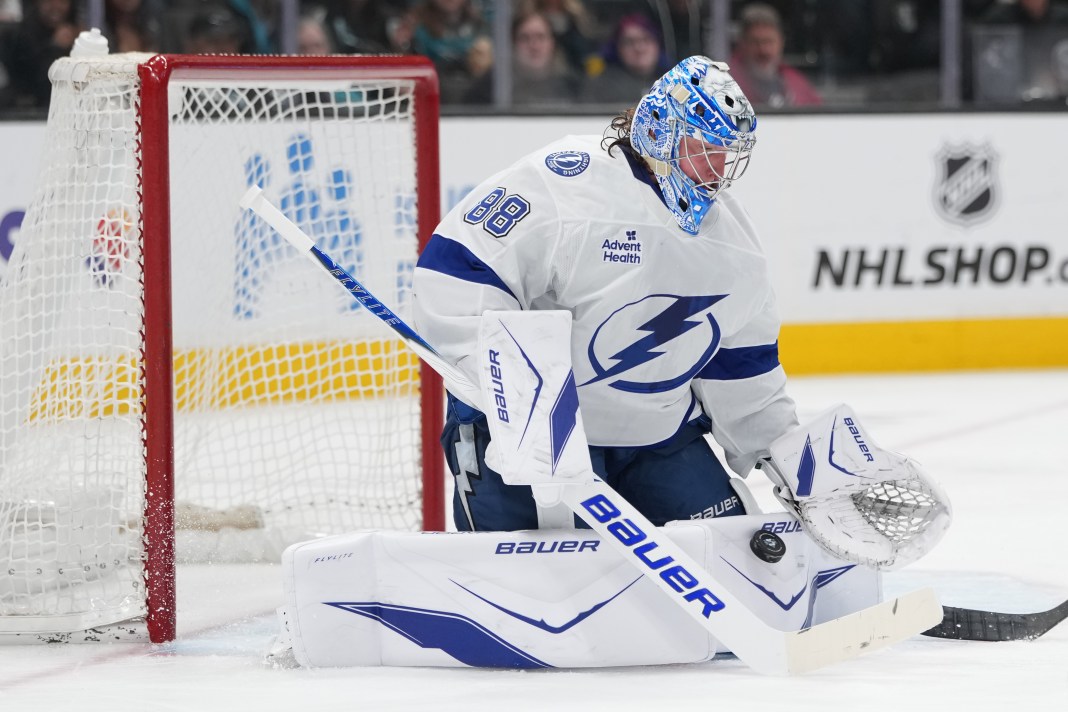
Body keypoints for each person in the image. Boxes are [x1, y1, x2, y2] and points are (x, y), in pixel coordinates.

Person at [412, 56, 798, 532]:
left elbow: (742, 367)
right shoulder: (565, 185)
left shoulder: (733, 246)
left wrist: (792, 461)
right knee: (525, 583)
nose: (718, 168)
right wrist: (517, 399)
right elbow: (457, 271)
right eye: (707, 148)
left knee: (734, 558)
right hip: (520, 438)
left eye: (728, 152)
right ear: (662, 131)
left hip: (656, 440)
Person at [729, 3, 821, 108]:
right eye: (755, 42)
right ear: (742, 44)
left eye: (769, 42)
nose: (763, 50)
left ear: (781, 42)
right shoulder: (727, 83)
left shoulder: (796, 83)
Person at [582, 12, 671, 105]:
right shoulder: (600, 86)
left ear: (658, 45)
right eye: (629, 42)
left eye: (646, 39)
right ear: (617, 48)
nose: (639, 48)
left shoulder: (674, 80)